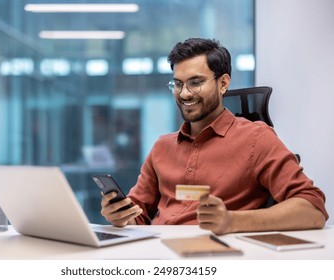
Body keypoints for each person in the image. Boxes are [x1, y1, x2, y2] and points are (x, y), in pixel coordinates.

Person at [100, 38, 328, 235]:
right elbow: (137, 216)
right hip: (160, 256)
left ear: (223, 83)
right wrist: (120, 215)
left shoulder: (257, 138)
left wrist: (232, 221)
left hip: (218, 257)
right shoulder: (162, 147)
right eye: (178, 84)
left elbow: (312, 209)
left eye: (196, 82)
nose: (185, 93)